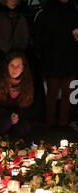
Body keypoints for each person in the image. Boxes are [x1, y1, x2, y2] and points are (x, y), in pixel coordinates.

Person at [35, 0, 78, 128]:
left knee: (66, 94)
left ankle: (62, 122)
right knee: (52, 93)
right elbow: (38, 37)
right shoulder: (45, 13)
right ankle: (51, 122)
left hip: (68, 59)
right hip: (53, 59)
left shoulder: (74, 13)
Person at [0, 50, 34, 137]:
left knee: (24, 127)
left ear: (23, 68)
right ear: (7, 66)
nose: (14, 69)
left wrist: (17, 115)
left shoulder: (26, 83)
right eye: (12, 65)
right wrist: (9, 115)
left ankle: (12, 143)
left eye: (18, 66)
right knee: (5, 123)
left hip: (13, 117)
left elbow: (26, 107)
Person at [0, 0, 31, 67]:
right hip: (1, 59)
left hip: (18, 58)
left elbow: (25, 38)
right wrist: (7, 49)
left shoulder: (21, 18)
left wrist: (16, 51)